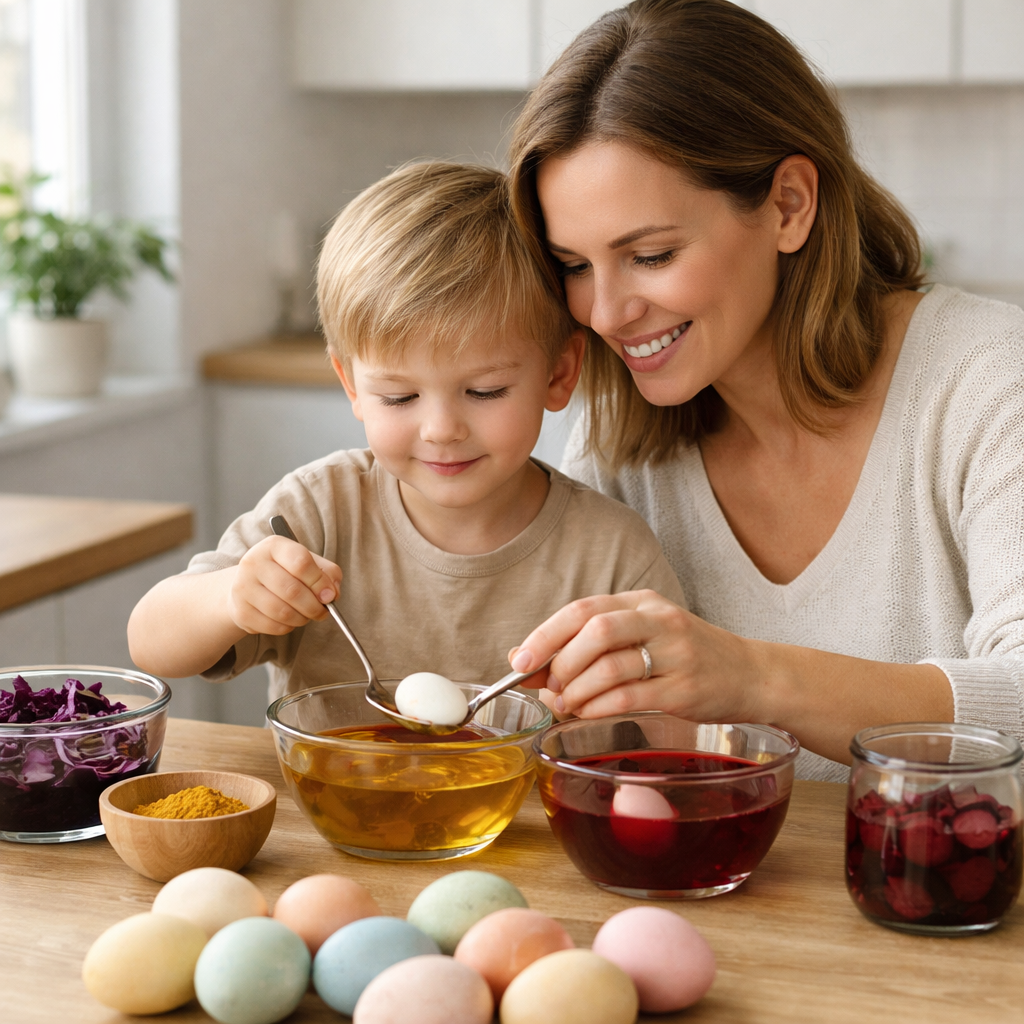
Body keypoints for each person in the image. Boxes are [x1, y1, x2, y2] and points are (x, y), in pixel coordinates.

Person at [504, 0, 1024, 780]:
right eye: (574, 266)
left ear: (789, 205)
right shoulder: (622, 445)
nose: (605, 313)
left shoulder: (985, 377)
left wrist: (753, 678)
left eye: (649, 255)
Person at [127, 162, 685, 702]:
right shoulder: (317, 514)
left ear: (558, 374)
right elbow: (151, 642)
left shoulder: (611, 556)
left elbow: (662, 731)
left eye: (485, 391)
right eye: (400, 397)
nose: (441, 430)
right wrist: (230, 597)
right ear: (351, 385)